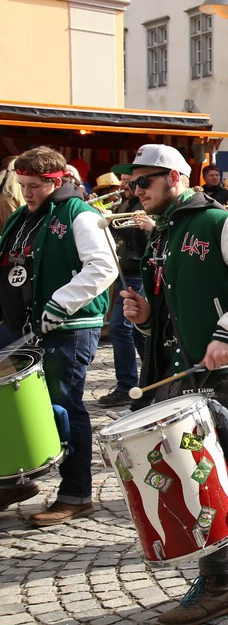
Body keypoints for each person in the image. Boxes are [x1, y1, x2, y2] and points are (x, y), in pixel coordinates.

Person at [116, 144, 228, 624]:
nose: (134, 190)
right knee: (196, 472)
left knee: (199, 476)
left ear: (173, 177)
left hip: (219, 369)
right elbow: (175, 307)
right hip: (182, 367)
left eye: (143, 181)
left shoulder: (217, 222)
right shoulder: (165, 231)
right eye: (132, 183)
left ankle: (218, 586)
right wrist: (148, 319)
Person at [0, 147, 117, 522]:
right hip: (20, 327)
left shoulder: (80, 215)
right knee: (11, 406)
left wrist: (60, 304)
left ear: (55, 180)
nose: (27, 192)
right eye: (23, 185)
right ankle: (12, 480)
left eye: (34, 186)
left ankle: (76, 493)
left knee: (65, 408)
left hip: (68, 328)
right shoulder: (20, 217)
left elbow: (102, 268)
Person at [97, 173, 151, 408]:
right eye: (123, 180)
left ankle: (126, 385)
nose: (123, 185)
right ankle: (150, 381)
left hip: (136, 273)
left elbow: (142, 243)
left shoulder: (144, 203)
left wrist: (141, 227)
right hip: (122, 270)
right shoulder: (124, 202)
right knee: (139, 333)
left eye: (129, 180)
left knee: (119, 328)